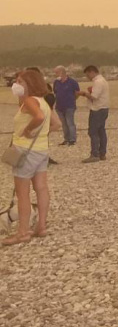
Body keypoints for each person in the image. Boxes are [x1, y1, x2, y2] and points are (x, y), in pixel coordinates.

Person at [4, 70, 60, 245]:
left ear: (29, 83)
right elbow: (56, 123)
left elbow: (39, 117)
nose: (16, 85)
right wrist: (40, 134)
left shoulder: (29, 101)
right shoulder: (43, 101)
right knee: (41, 188)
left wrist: (28, 131)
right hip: (41, 150)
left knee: (23, 193)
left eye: (20, 81)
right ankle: (41, 226)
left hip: (25, 151)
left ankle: (22, 232)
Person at [78, 65, 110, 162]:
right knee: (101, 131)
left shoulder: (98, 82)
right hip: (104, 108)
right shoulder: (102, 80)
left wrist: (83, 93)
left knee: (93, 132)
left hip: (97, 109)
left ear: (92, 72)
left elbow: (94, 97)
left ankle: (95, 154)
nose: (87, 77)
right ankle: (102, 153)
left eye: (88, 74)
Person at [52, 66, 80, 147]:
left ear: (62, 72)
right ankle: (66, 139)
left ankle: (72, 139)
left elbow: (77, 93)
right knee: (64, 124)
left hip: (69, 105)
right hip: (59, 106)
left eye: (56, 72)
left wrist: (72, 100)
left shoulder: (72, 82)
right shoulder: (56, 82)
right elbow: (55, 92)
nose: (55, 74)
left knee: (70, 122)